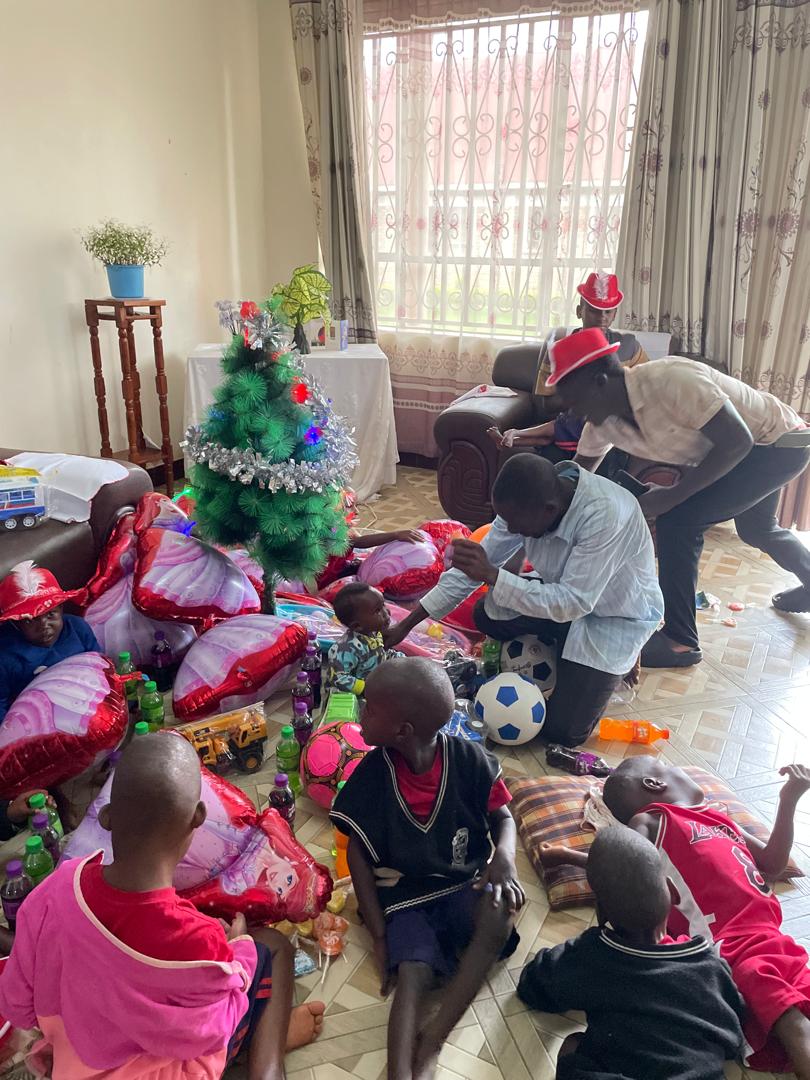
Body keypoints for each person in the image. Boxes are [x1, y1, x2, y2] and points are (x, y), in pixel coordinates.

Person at [0, 733, 325, 1079]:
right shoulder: (199, 938)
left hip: (76, 1064)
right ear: (198, 817)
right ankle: (267, 1066)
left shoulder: (59, 887)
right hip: (169, 1072)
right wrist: (238, 947)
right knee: (271, 948)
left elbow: (18, 1004)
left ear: (106, 816)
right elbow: (214, 1029)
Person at [545, 328, 810, 666]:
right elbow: (576, 478)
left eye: (573, 398)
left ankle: (680, 641)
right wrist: (544, 512)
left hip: (777, 445)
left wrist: (670, 497)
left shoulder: (672, 380)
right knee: (757, 530)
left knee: (679, 520)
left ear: (599, 382)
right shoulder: (602, 423)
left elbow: (738, 442)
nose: (570, 411)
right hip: (747, 449)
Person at [542, 758, 810, 1077]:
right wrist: (572, 858)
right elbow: (624, 865)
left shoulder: (719, 818)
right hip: (727, 952)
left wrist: (788, 800)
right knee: (796, 1025)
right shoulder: (652, 820)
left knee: (800, 1011)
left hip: (772, 940)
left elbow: (771, 864)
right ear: (655, 784)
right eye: (668, 766)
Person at [384, 453, 663, 746]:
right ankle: (562, 643)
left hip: (614, 615)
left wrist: (492, 574)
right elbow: (473, 569)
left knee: (564, 732)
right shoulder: (525, 504)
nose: (511, 529)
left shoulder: (606, 516)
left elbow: (574, 603)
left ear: (549, 510)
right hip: (561, 595)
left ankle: (610, 661)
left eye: (517, 524)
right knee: (487, 614)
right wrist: (407, 624)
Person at [331, 658, 524, 1080]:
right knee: (411, 975)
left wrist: (504, 860)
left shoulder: (470, 761)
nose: (361, 714)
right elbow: (359, 855)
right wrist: (380, 935)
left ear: (403, 731)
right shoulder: (373, 773)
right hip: (406, 898)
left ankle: (434, 1039)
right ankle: (402, 1072)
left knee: (499, 915)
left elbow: (504, 819)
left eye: (370, 709)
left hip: (462, 884)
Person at [519, 826, 744, 1079]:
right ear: (671, 891)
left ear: (602, 913)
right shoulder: (707, 960)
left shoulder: (596, 957)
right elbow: (734, 1030)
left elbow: (534, 986)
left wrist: (583, 943)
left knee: (572, 1043)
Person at [486, 271, 647, 465]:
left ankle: (515, 436)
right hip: (570, 425)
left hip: (612, 437)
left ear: (615, 314)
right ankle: (513, 438)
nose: (602, 318)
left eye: (608, 311)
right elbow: (546, 404)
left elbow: (647, 393)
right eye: (594, 310)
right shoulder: (561, 350)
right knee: (551, 469)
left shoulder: (630, 348)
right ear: (580, 311)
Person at [0, 560, 100, 721]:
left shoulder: (78, 628)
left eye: (50, 614)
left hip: (83, 703)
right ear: (15, 623)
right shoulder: (5, 656)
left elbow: (100, 667)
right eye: (30, 620)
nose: (44, 626)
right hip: (32, 720)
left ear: (61, 609)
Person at [326, 582, 403, 694]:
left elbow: (381, 654)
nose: (386, 612)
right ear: (357, 626)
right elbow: (338, 678)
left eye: (383, 605)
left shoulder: (375, 633)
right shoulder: (345, 648)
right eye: (377, 611)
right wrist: (366, 688)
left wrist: (400, 659)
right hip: (353, 696)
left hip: (375, 682)